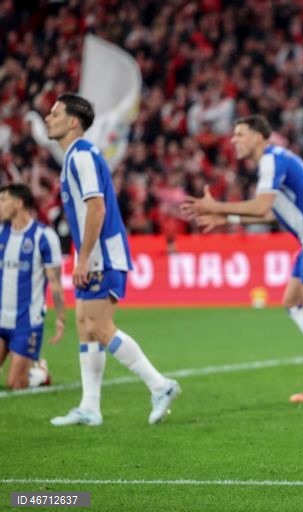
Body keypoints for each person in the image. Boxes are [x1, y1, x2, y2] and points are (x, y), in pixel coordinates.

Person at [182, 115, 303, 403]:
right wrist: (228, 217)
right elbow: (274, 212)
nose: (234, 140)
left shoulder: (271, 159)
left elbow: (262, 208)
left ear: (259, 137)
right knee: (291, 301)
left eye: (239, 134)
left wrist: (217, 207)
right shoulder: (275, 161)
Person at [44, 93, 180, 426]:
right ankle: (90, 407)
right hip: (94, 255)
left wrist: (84, 259)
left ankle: (159, 385)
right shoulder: (74, 157)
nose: (48, 118)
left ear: (73, 121)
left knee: (98, 326)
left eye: (55, 113)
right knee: (85, 328)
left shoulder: (83, 156)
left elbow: (97, 207)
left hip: (101, 256)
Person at [0, 183, 65, 389]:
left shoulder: (44, 237)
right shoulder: (1, 233)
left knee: (16, 384)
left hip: (27, 323)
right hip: (1, 318)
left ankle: (39, 373)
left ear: (18, 204)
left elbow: (55, 283)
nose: (0, 205)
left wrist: (60, 320)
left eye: (3, 200)